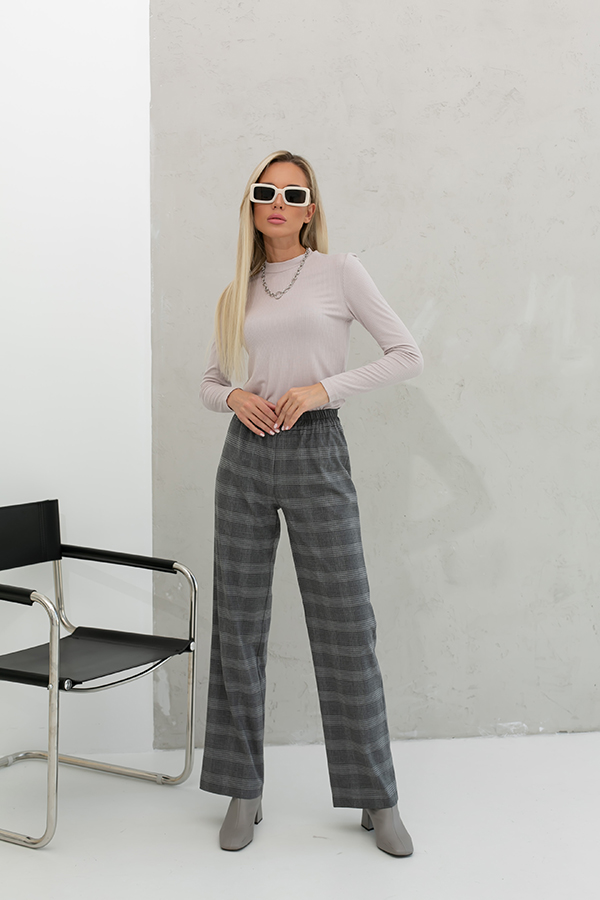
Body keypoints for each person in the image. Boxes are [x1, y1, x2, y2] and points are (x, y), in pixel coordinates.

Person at [200, 150, 424, 856]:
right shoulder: (239, 289)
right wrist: (232, 398)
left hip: (317, 448)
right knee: (238, 625)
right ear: (251, 205)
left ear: (311, 208)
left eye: (293, 194)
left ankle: (376, 796)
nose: (278, 202)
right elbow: (210, 380)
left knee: (346, 625)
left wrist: (322, 390)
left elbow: (406, 354)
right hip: (245, 455)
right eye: (265, 191)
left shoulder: (339, 271)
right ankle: (243, 788)